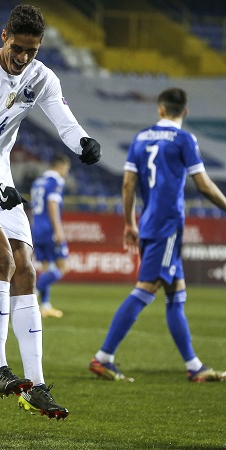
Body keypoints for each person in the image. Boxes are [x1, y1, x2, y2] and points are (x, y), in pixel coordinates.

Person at [0, 4, 101, 419]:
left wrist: (83, 141)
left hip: (1, 177)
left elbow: (63, 119)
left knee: (26, 269)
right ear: (3, 37)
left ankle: (35, 385)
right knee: (1, 260)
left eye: (32, 50)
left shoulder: (40, 76)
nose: (23, 58)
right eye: (18, 48)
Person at [89, 87, 226, 383]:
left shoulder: (140, 138)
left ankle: (195, 367)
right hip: (167, 225)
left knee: (176, 293)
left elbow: (128, 184)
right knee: (147, 288)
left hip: (148, 221)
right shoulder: (184, 139)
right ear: (184, 112)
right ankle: (103, 357)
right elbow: (203, 185)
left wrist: (129, 223)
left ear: (160, 110)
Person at [30, 154, 71, 318]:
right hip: (49, 230)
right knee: (63, 267)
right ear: (60, 166)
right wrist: (58, 229)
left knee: (46, 268)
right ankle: (33, 295)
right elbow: (52, 204)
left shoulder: (37, 182)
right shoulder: (56, 181)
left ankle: (45, 306)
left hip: (37, 229)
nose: (66, 172)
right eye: (67, 169)